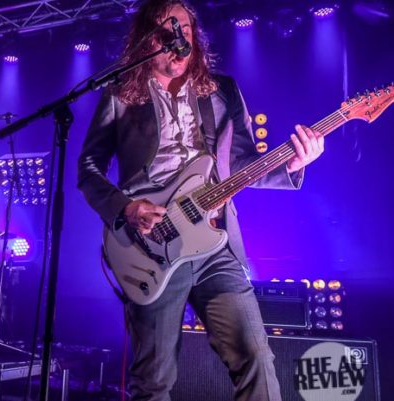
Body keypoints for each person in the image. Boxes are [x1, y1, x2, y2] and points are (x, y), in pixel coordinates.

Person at [77, 1, 324, 400]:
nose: (178, 39)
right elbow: (89, 168)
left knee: (256, 356)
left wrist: (293, 164)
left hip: (214, 243)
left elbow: (242, 163)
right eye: (166, 30)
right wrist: (125, 208)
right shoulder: (121, 94)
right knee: (153, 380)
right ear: (146, 39)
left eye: (185, 29)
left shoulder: (222, 90)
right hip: (150, 245)